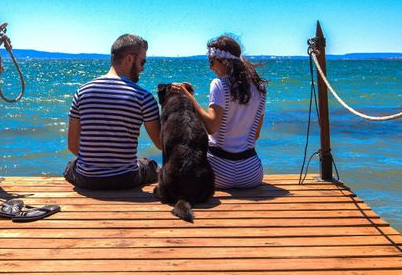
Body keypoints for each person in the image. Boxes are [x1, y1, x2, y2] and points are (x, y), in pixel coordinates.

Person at [64, 34, 162, 190]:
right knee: (150, 165)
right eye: (142, 62)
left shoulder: (82, 92)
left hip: (86, 179)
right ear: (129, 59)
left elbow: (72, 145)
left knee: (71, 165)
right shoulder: (143, 97)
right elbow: (161, 144)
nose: (143, 68)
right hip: (125, 179)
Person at [173, 35, 267, 188]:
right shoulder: (260, 88)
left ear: (224, 61)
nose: (210, 67)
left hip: (218, 172)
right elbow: (255, 135)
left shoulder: (219, 84)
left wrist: (188, 97)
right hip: (251, 173)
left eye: (211, 62)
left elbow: (212, 126)